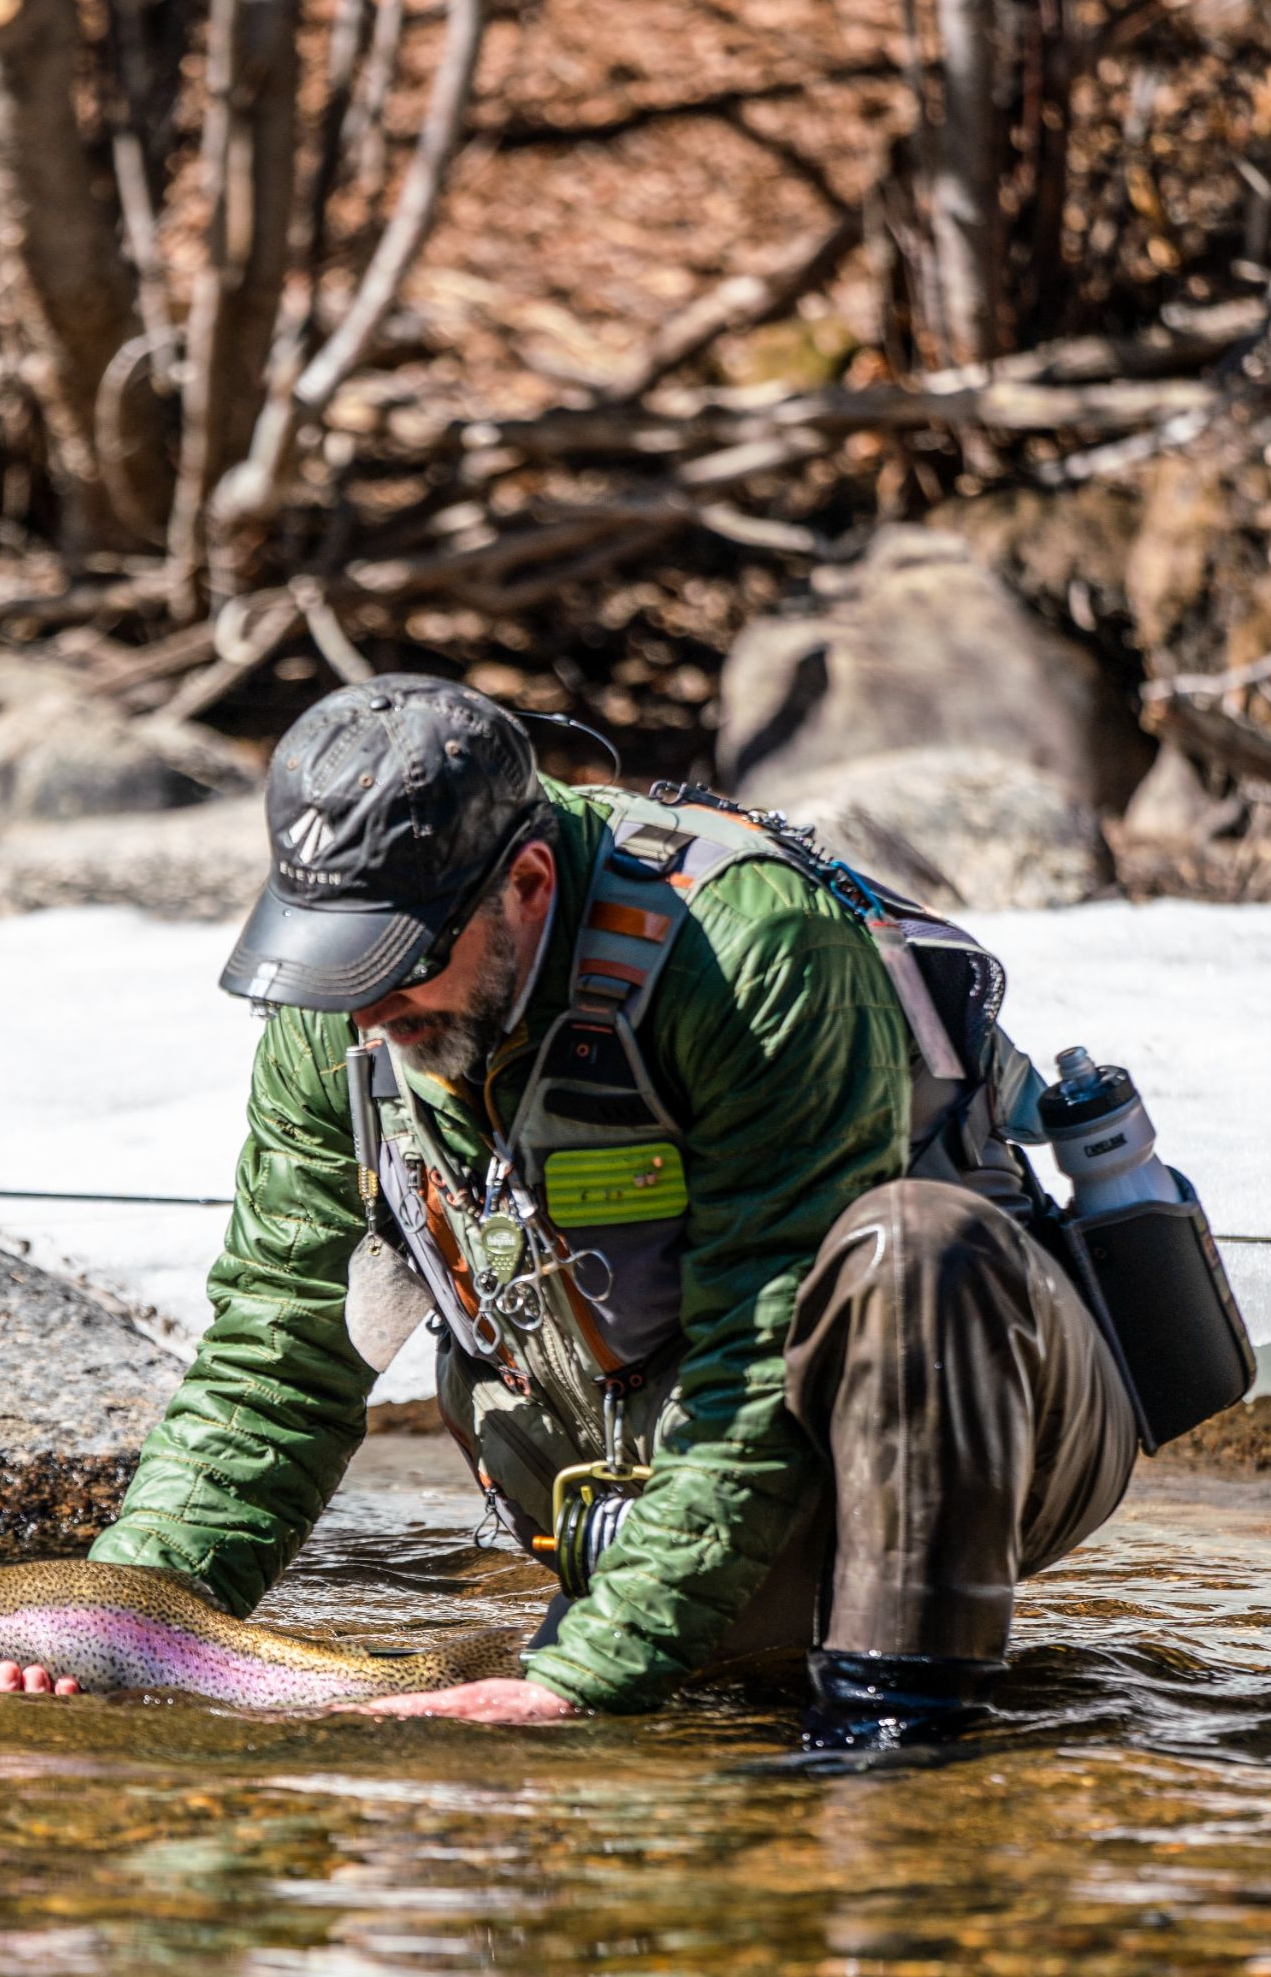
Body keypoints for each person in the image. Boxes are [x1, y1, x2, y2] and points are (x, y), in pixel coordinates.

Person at [70, 674, 1139, 1743]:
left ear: (528, 884)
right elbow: (278, 1356)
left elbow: (758, 1356)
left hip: (964, 1429)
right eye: (337, 960)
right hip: (645, 1482)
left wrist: (593, 1670)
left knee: (918, 1246)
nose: (366, 1002)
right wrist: (106, 1624)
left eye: (399, 959)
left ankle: (895, 1740)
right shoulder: (345, 1007)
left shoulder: (751, 953)